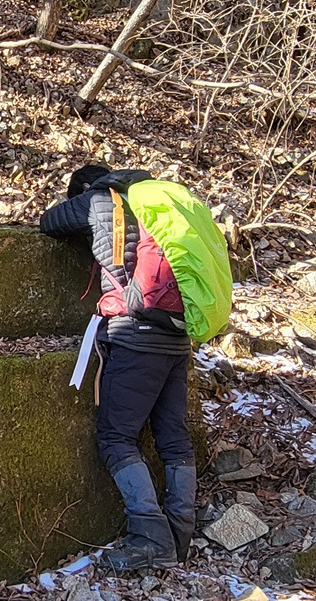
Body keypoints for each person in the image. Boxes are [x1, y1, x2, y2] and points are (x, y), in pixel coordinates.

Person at [39, 164, 197, 571]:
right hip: (178, 338)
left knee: (116, 438)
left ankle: (150, 538)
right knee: (174, 440)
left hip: (135, 337)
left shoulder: (97, 200)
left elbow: (50, 223)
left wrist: (82, 204)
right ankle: (179, 534)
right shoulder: (160, 209)